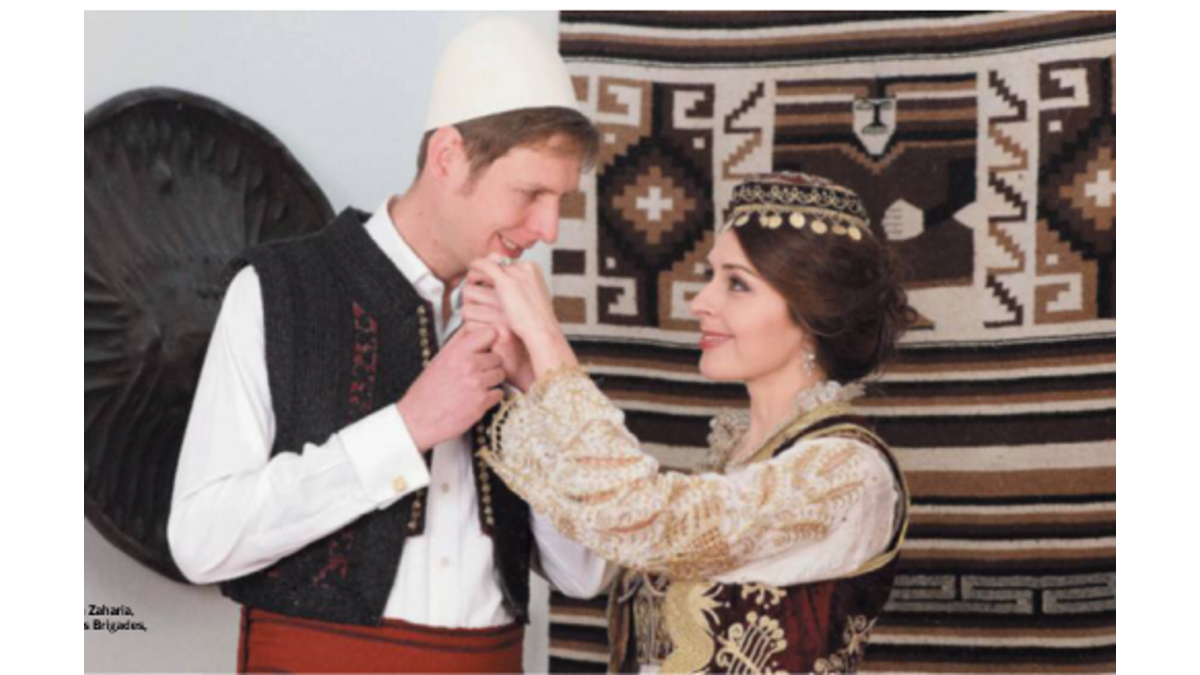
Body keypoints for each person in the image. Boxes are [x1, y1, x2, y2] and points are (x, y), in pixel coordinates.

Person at [167, 18, 610, 674]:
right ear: (448, 156)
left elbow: (584, 573)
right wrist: (406, 429)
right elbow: (200, 540)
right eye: (530, 193)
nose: (548, 228)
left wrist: (540, 387)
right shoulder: (276, 289)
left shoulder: (525, 325)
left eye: (560, 200)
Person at [465, 172, 915, 673]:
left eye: (737, 284)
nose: (701, 302)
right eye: (711, 276)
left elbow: (641, 515)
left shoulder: (848, 472)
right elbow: (591, 563)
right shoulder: (736, 459)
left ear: (811, 314)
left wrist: (547, 340)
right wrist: (532, 380)